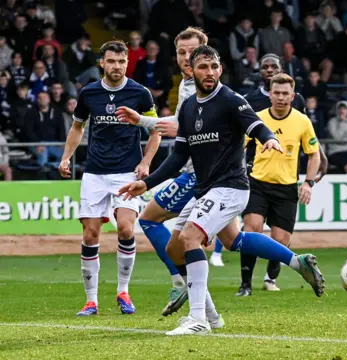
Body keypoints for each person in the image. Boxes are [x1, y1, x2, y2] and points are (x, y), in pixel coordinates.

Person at [118, 45, 325, 336]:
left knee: (191, 237)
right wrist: (147, 182)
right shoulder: (189, 107)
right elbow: (179, 157)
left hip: (230, 186)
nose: (210, 72)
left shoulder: (230, 99)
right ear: (191, 70)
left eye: (215, 66)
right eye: (203, 67)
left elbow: (255, 124)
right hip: (206, 190)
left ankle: (198, 319)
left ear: (221, 69)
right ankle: (293, 264)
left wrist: (268, 139)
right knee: (183, 247)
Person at [114, 27, 224, 320]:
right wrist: (146, 121)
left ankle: (182, 283)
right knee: (220, 239)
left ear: (206, 52)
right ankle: (208, 312)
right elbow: (178, 125)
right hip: (200, 171)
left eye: (192, 52)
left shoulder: (201, 86)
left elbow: (182, 127)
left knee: (153, 222)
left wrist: (143, 122)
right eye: (181, 52)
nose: (186, 57)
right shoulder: (190, 84)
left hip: (199, 174)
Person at [57, 40, 162, 316]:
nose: (117, 66)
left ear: (127, 63)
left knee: (126, 229)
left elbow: (156, 131)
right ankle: (91, 300)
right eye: (112, 61)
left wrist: (146, 162)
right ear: (101, 63)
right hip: (95, 172)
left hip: (127, 171)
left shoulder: (140, 93)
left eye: (122, 61)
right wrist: (66, 157)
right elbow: (77, 127)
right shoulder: (89, 93)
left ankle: (123, 291)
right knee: (90, 234)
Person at [237, 53, 328, 296]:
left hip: (287, 188)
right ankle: (245, 285)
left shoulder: (302, 121)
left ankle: (270, 278)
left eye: (284, 93)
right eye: (275, 92)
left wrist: (308, 183)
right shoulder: (258, 119)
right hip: (257, 183)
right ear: (269, 94)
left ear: (293, 95)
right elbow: (240, 147)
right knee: (251, 229)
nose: (279, 97)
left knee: (280, 241)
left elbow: (314, 154)